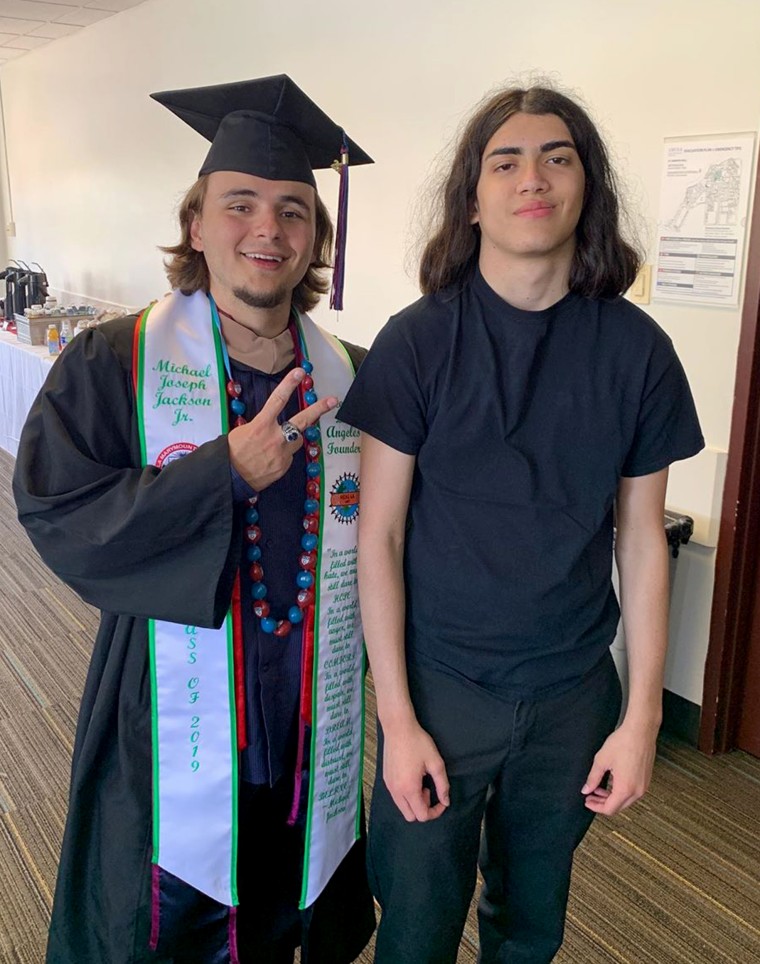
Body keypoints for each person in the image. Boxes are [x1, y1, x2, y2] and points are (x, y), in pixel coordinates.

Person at [338, 84, 704, 963]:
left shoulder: (638, 353)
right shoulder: (417, 343)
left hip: (573, 694)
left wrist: (642, 714)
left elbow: (643, 541)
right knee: (417, 928)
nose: (532, 177)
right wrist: (398, 718)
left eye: (558, 156)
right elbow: (377, 538)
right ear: (473, 196)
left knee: (529, 927)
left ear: (588, 186)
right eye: (505, 160)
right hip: (440, 688)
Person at [13, 74, 375, 964]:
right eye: (240, 204)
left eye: (294, 211)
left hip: (310, 709)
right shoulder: (114, 360)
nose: (268, 230)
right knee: (165, 928)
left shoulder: (357, 380)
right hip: (168, 710)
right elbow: (56, 507)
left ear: (316, 239)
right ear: (196, 223)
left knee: (291, 912)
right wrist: (224, 474)